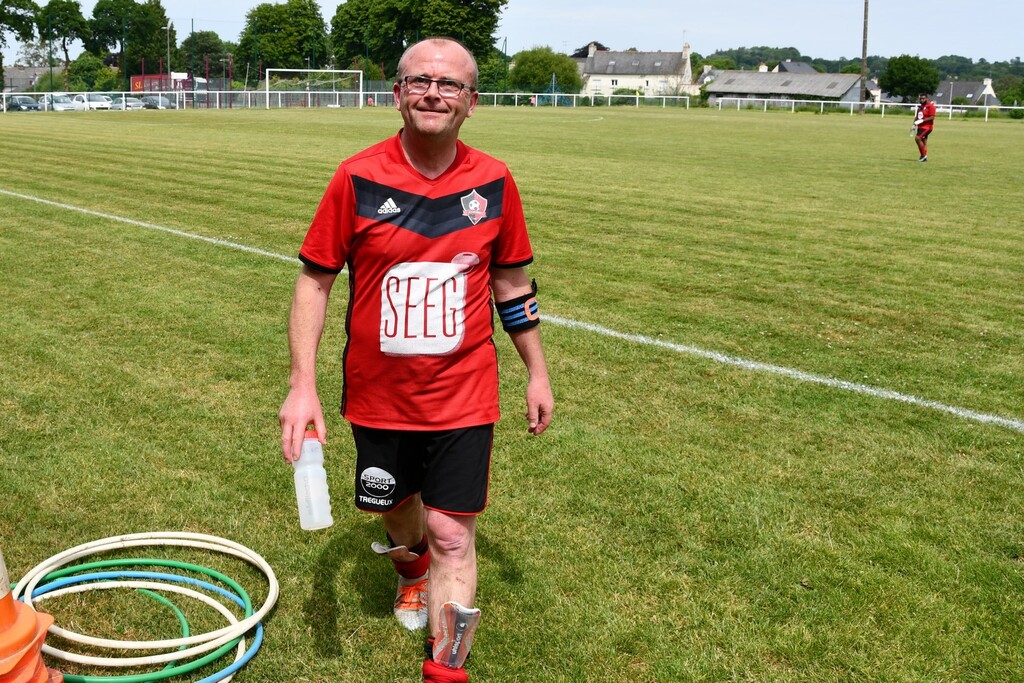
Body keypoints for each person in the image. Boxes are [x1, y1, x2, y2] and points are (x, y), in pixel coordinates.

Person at [278, 37, 554, 683]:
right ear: (397, 94)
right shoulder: (356, 177)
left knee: (453, 532)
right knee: (399, 509)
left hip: (464, 392)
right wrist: (302, 383)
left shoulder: (495, 181)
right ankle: (410, 566)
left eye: (449, 84)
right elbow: (314, 281)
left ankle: (445, 670)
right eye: (420, 81)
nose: (434, 93)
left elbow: (512, 284)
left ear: (471, 102)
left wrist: (537, 371)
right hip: (378, 394)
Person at [914, 92, 936, 162]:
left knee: (917, 138)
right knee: (923, 142)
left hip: (927, 127)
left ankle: (923, 156)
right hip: (920, 127)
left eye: (923, 99)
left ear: (926, 98)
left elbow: (932, 117)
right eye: (920, 99)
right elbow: (917, 117)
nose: (921, 100)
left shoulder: (930, 106)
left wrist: (922, 120)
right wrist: (914, 124)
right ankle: (924, 157)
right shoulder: (920, 107)